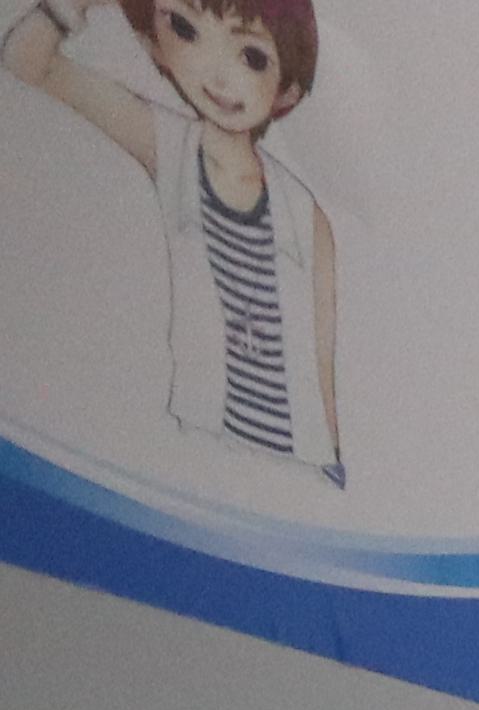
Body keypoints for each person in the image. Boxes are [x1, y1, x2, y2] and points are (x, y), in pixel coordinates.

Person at [3, 0, 342, 484]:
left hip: (294, 466)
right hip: (199, 448)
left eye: (252, 57)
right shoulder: (167, 142)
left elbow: (322, 365)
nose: (218, 76)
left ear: (287, 89)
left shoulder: (308, 216)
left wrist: (331, 464)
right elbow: (27, 61)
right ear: (155, 47)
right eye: (185, 30)